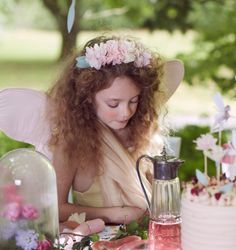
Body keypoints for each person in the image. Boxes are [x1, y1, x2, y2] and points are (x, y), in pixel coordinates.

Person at [0, 35, 184, 225]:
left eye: (134, 101)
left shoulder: (141, 133)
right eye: (113, 104)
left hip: (148, 236)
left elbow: (155, 194)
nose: (126, 112)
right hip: (98, 241)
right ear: (87, 98)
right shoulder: (72, 143)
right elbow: (55, 208)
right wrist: (115, 214)